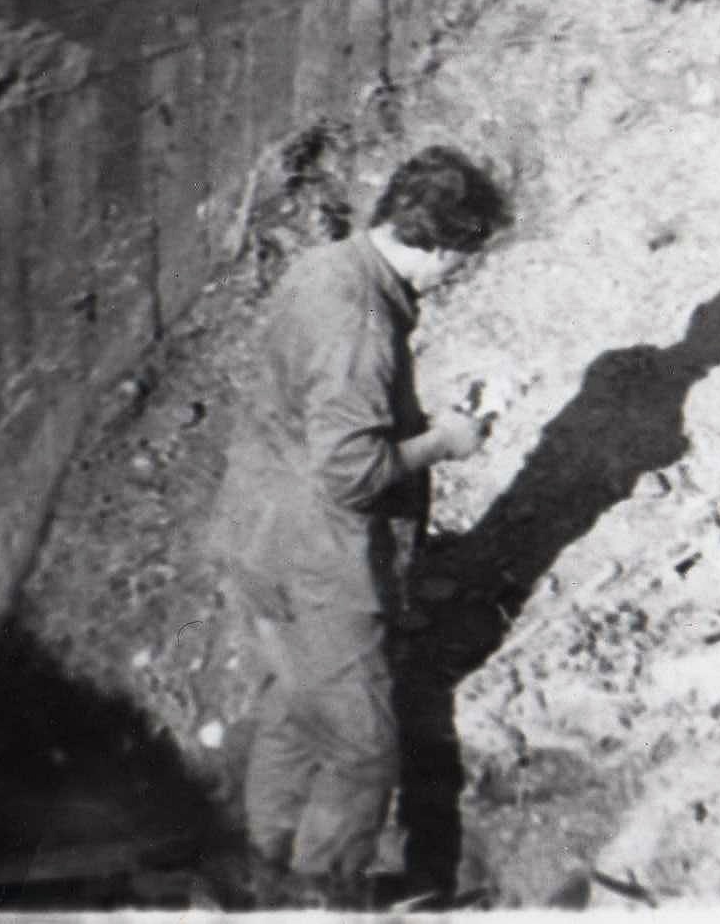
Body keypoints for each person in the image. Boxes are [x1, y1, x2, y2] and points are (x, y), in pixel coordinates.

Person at [208, 145, 512, 907]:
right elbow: (350, 471)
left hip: (260, 535)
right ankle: (321, 902)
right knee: (362, 750)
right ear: (438, 245)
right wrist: (445, 442)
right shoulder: (362, 320)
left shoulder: (326, 267)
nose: (455, 276)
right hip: (318, 561)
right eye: (460, 260)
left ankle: (266, 885)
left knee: (293, 717)